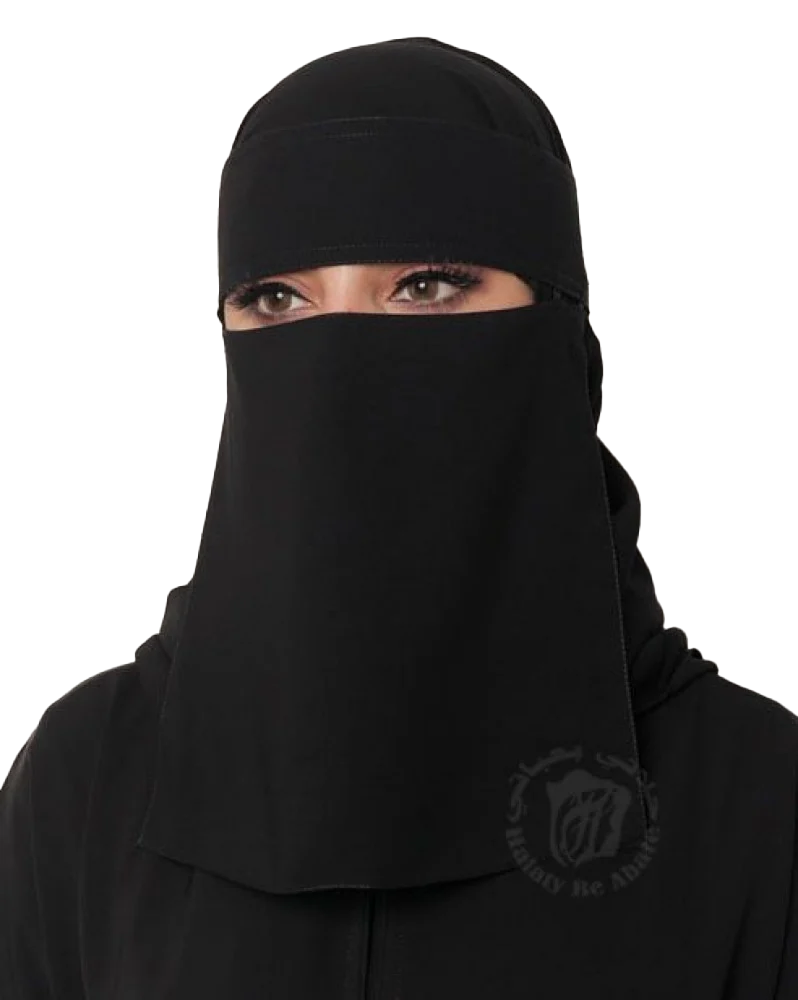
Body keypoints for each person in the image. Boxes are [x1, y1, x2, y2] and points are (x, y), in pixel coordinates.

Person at [2, 36, 797, 999]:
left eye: (426, 286)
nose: (338, 361)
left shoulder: (758, 807)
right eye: (277, 298)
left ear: (559, 335)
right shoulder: (85, 786)